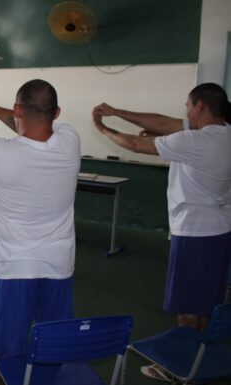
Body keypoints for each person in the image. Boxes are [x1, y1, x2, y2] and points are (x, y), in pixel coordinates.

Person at [92, 83, 231, 382]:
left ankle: (180, 368)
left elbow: (135, 145)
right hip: (220, 232)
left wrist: (101, 128)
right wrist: (116, 111)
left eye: (187, 106)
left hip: (194, 234)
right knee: (207, 303)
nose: (184, 112)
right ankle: (199, 359)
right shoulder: (224, 133)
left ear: (200, 107)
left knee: (187, 308)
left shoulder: (195, 141)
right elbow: (162, 123)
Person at [0, 79, 81, 358]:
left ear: (17, 109)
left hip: (13, 267)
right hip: (58, 264)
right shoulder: (70, 139)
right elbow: (34, 123)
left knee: (7, 354)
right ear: (57, 112)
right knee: (52, 349)